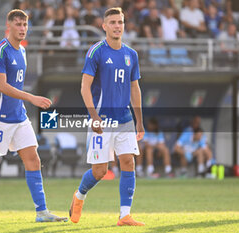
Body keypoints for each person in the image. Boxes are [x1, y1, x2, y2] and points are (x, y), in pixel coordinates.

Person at [0, 9, 67, 223]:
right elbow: (2, 86)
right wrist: (32, 98)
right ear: (9, 26)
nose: (22, 28)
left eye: (25, 25)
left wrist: (24, 103)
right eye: (18, 24)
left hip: (19, 116)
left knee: (33, 158)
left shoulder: (22, 51)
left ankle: (42, 212)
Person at [69, 7, 145, 226]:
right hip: (101, 120)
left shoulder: (131, 54)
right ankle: (79, 196)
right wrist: (93, 116)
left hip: (125, 119)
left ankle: (124, 215)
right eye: (112, 22)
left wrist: (139, 119)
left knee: (128, 162)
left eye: (120, 22)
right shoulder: (96, 52)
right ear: (104, 26)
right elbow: (84, 87)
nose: (117, 26)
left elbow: (135, 88)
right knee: (100, 171)